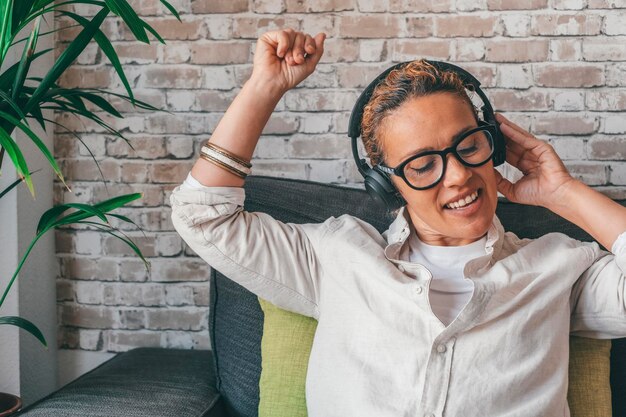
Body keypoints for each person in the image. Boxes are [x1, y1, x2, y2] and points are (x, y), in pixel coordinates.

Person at [170, 28, 626, 416]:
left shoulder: (560, 267)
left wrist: (564, 194)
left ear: (496, 147)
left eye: (468, 145)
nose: (459, 174)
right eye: (423, 164)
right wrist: (264, 87)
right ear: (387, 185)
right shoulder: (336, 257)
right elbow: (203, 217)